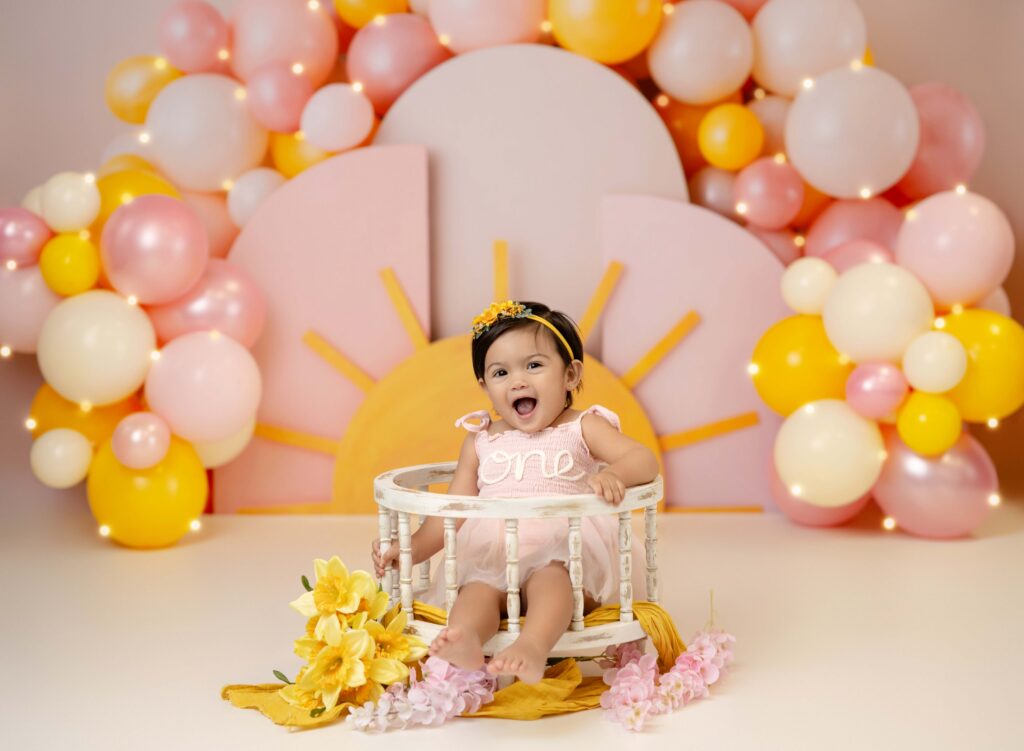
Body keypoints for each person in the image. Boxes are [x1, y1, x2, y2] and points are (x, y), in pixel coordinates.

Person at [372, 300, 659, 684]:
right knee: (474, 592)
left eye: (534, 365)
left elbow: (644, 459)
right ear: (484, 386)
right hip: (493, 554)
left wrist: (617, 475)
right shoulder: (480, 441)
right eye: (501, 372)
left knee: (552, 582)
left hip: (563, 553)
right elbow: (451, 511)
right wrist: (407, 550)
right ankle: (466, 639)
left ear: (570, 375)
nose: (518, 381)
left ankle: (533, 647)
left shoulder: (582, 427)